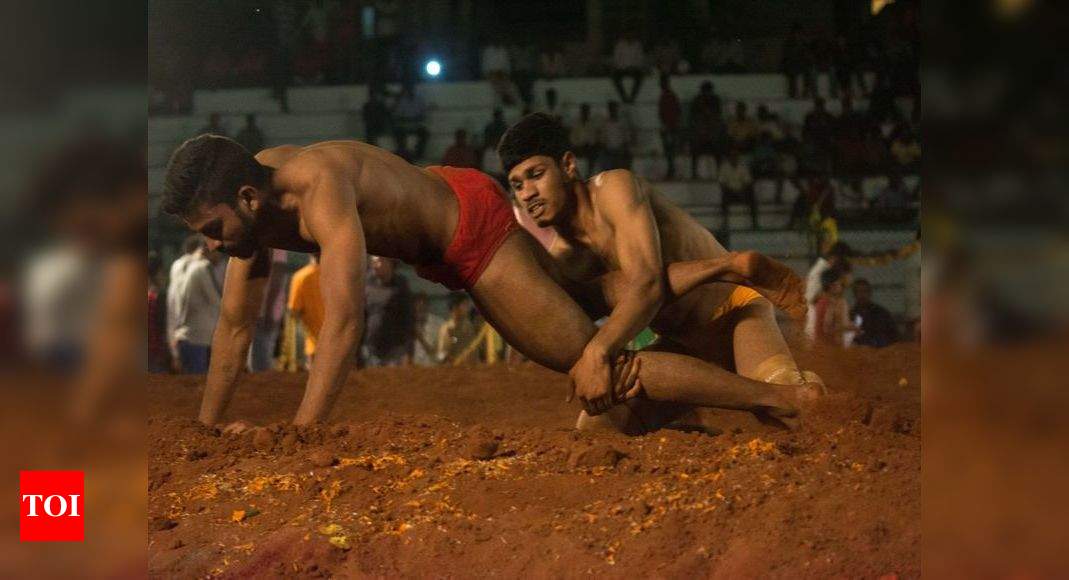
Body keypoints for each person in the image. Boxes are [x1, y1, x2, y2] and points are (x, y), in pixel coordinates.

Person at [162, 135, 809, 433]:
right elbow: (235, 326)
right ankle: (725, 267)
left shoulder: (316, 189)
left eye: (213, 228)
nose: (212, 245)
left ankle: (775, 400)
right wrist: (206, 428)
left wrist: (304, 432)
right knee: (584, 293)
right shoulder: (251, 208)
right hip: (449, 199)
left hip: (469, 234)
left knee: (599, 364)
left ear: (247, 197)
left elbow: (344, 321)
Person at [498, 113, 823, 433]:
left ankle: (810, 393)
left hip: (734, 313)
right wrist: (613, 360)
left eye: (535, 174)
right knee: (597, 429)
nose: (527, 193)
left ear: (568, 165)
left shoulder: (613, 189)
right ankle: (692, 420)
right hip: (680, 344)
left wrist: (600, 352)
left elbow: (649, 283)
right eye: (517, 185)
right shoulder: (567, 260)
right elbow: (573, 324)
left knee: (795, 412)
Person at [173, 245, 224, 373]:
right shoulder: (203, 267)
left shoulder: (183, 265)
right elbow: (217, 301)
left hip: (185, 335)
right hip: (198, 338)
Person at [362, 256, 413, 366]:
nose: (375, 265)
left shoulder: (401, 285)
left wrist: (408, 351)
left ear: (390, 263)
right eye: (373, 262)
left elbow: (407, 320)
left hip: (394, 351)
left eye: (379, 261)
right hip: (370, 348)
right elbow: (361, 317)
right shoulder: (366, 284)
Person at [167, 235, 203, 367]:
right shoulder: (201, 267)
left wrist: (173, 351)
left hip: (179, 336)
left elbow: (171, 309)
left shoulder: (175, 267)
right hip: (199, 336)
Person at [804, 240, 852, 339]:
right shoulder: (819, 272)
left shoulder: (827, 270)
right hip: (815, 315)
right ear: (836, 258)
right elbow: (810, 298)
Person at [288, 254, 323, 367]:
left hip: (315, 345)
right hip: (340, 344)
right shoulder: (338, 276)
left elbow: (293, 311)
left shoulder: (300, 277)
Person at [690, 81, 727, 179]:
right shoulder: (697, 100)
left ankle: (720, 172)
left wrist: (711, 133)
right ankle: (694, 172)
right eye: (704, 91)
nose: (706, 93)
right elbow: (693, 118)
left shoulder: (715, 100)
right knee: (694, 150)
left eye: (708, 91)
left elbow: (718, 118)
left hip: (712, 134)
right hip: (700, 134)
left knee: (718, 149)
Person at [850, 278, 900, 348]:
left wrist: (870, 345)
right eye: (859, 292)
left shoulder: (881, 313)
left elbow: (892, 336)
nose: (862, 295)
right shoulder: (851, 314)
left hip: (881, 351)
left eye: (865, 291)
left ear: (870, 293)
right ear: (854, 294)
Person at [812, 267, 853, 347]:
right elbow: (827, 328)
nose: (842, 286)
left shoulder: (826, 301)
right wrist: (848, 328)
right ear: (832, 286)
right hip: (827, 348)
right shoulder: (827, 303)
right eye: (840, 283)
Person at [717, 147, 757, 229]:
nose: (734, 157)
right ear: (729, 157)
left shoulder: (743, 167)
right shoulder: (724, 167)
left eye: (735, 155)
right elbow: (722, 183)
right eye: (732, 155)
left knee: (752, 197)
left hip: (742, 192)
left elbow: (748, 181)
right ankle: (724, 222)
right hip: (730, 192)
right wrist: (732, 191)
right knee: (724, 197)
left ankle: (754, 222)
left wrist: (742, 190)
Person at [391, 80, 429, 162]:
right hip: (404, 125)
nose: (409, 90)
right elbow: (397, 115)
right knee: (398, 132)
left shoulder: (419, 99)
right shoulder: (401, 100)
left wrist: (414, 119)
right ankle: (403, 154)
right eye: (408, 88)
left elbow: (423, 114)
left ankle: (418, 154)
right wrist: (407, 119)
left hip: (416, 125)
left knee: (424, 133)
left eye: (411, 88)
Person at [437, 293, 478, 363]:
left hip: (471, 368)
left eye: (467, 305)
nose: (467, 308)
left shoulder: (469, 326)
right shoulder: (446, 328)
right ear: (455, 307)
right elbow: (440, 354)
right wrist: (452, 359)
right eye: (464, 305)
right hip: (454, 369)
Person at [148, 252, 170, 373]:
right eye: (162, 273)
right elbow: (162, 328)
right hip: (155, 355)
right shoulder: (157, 297)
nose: (164, 276)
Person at [657, 75, 682, 180]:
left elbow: (676, 112)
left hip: (671, 127)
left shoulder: (669, 96)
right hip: (668, 127)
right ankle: (670, 170)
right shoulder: (667, 96)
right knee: (668, 150)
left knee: (670, 150)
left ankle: (671, 170)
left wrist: (670, 125)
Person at [611, 32, 645, 104]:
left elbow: (640, 59)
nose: (630, 35)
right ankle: (624, 98)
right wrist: (624, 67)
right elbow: (616, 59)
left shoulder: (637, 45)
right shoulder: (620, 44)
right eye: (628, 34)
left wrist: (634, 67)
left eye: (632, 34)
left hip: (634, 69)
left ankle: (632, 98)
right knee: (615, 77)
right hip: (622, 69)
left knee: (640, 76)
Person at [411, 292, 444, 366]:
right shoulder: (408, 324)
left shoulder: (439, 324)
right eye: (415, 310)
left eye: (422, 309)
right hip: (413, 369)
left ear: (427, 307)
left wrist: (421, 338)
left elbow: (440, 353)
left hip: (433, 368)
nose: (418, 313)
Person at [569, 103, 602, 175]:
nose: (585, 113)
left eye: (587, 111)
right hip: (579, 149)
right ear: (581, 112)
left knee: (591, 170)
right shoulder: (576, 123)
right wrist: (578, 146)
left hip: (590, 149)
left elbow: (596, 138)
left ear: (589, 112)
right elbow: (573, 138)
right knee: (579, 170)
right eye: (584, 111)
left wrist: (590, 144)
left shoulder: (593, 123)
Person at [600, 101, 633, 171]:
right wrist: (606, 148)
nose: (612, 111)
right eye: (611, 109)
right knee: (604, 158)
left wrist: (623, 148)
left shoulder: (622, 122)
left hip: (620, 150)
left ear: (616, 110)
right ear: (609, 110)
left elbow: (626, 138)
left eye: (614, 109)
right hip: (608, 151)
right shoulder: (605, 123)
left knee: (624, 157)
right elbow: (602, 139)